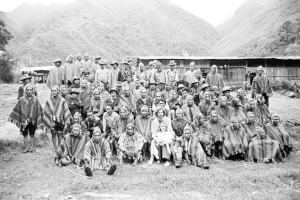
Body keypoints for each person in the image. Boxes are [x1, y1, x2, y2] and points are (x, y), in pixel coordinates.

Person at [9, 84, 43, 153]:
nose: (29, 91)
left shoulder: (36, 99)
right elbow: (17, 109)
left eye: (30, 90)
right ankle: (26, 148)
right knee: (25, 134)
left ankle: (32, 148)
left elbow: (39, 109)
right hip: (24, 120)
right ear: (25, 91)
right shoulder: (21, 99)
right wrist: (15, 116)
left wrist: (38, 118)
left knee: (32, 134)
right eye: (28, 90)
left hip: (32, 120)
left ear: (32, 91)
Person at [43, 85, 72, 151]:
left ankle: (59, 147)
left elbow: (65, 110)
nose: (54, 92)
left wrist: (66, 119)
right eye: (53, 91)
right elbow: (47, 111)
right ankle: (55, 148)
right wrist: (51, 119)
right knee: (53, 134)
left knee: (60, 134)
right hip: (52, 120)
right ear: (51, 92)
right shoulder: (48, 101)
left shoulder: (62, 100)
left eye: (55, 90)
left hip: (60, 120)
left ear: (58, 91)